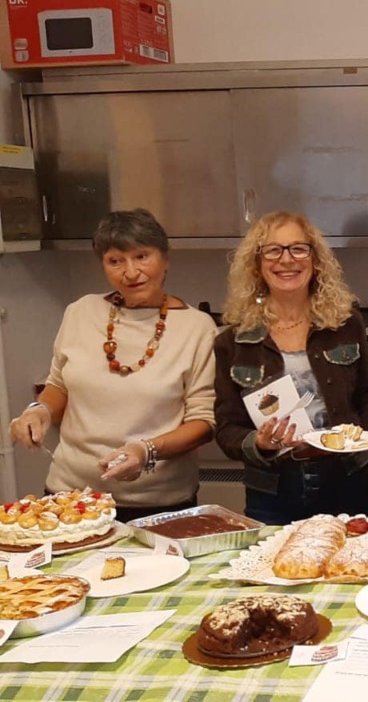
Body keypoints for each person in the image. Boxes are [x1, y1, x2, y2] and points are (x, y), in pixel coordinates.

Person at [7, 210, 216, 523]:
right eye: (115, 260)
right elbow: (59, 384)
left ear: (166, 259)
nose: (131, 272)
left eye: (142, 256)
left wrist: (144, 451)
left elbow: (203, 423)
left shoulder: (197, 328)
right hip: (71, 498)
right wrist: (38, 411)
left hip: (158, 504)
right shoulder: (81, 312)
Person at [213, 211, 368, 525]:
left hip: (346, 480)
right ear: (257, 264)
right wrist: (258, 442)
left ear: (315, 259)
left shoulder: (345, 324)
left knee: (351, 569)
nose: (286, 260)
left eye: (298, 248)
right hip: (273, 489)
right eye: (273, 250)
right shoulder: (233, 339)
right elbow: (227, 428)